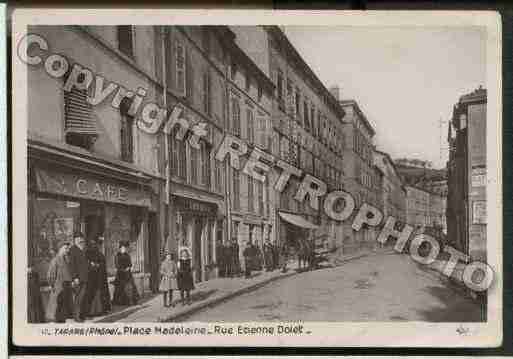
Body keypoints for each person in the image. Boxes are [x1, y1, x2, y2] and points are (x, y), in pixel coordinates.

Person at [46, 240, 73, 323]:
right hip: (58, 288)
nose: (67, 250)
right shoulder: (55, 260)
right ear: (60, 249)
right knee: (56, 310)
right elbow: (50, 275)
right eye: (65, 248)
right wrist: (52, 285)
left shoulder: (67, 259)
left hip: (66, 287)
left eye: (68, 248)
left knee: (63, 311)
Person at [85, 237, 111, 316]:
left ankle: (100, 310)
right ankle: (91, 311)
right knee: (92, 294)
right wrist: (91, 265)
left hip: (100, 277)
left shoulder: (100, 254)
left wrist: (98, 265)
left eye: (95, 244)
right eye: (92, 244)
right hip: (91, 277)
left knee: (99, 293)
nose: (94, 246)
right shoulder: (87, 254)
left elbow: (103, 264)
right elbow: (85, 264)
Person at [68, 231, 89, 322]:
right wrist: (74, 277)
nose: (80, 240)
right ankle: (76, 317)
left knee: (82, 297)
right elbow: (72, 265)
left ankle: (81, 315)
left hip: (84, 277)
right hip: (78, 279)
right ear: (75, 240)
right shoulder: (73, 249)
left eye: (81, 238)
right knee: (78, 298)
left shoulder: (82, 249)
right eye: (78, 238)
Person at [112, 241, 140, 306]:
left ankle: (130, 301)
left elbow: (130, 263)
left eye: (124, 248)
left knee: (130, 287)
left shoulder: (127, 255)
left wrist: (129, 267)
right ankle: (120, 301)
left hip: (127, 273)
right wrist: (122, 269)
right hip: (120, 274)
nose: (124, 249)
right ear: (120, 248)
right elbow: (117, 265)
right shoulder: (117, 255)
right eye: (122, 248)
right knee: (120, 288)